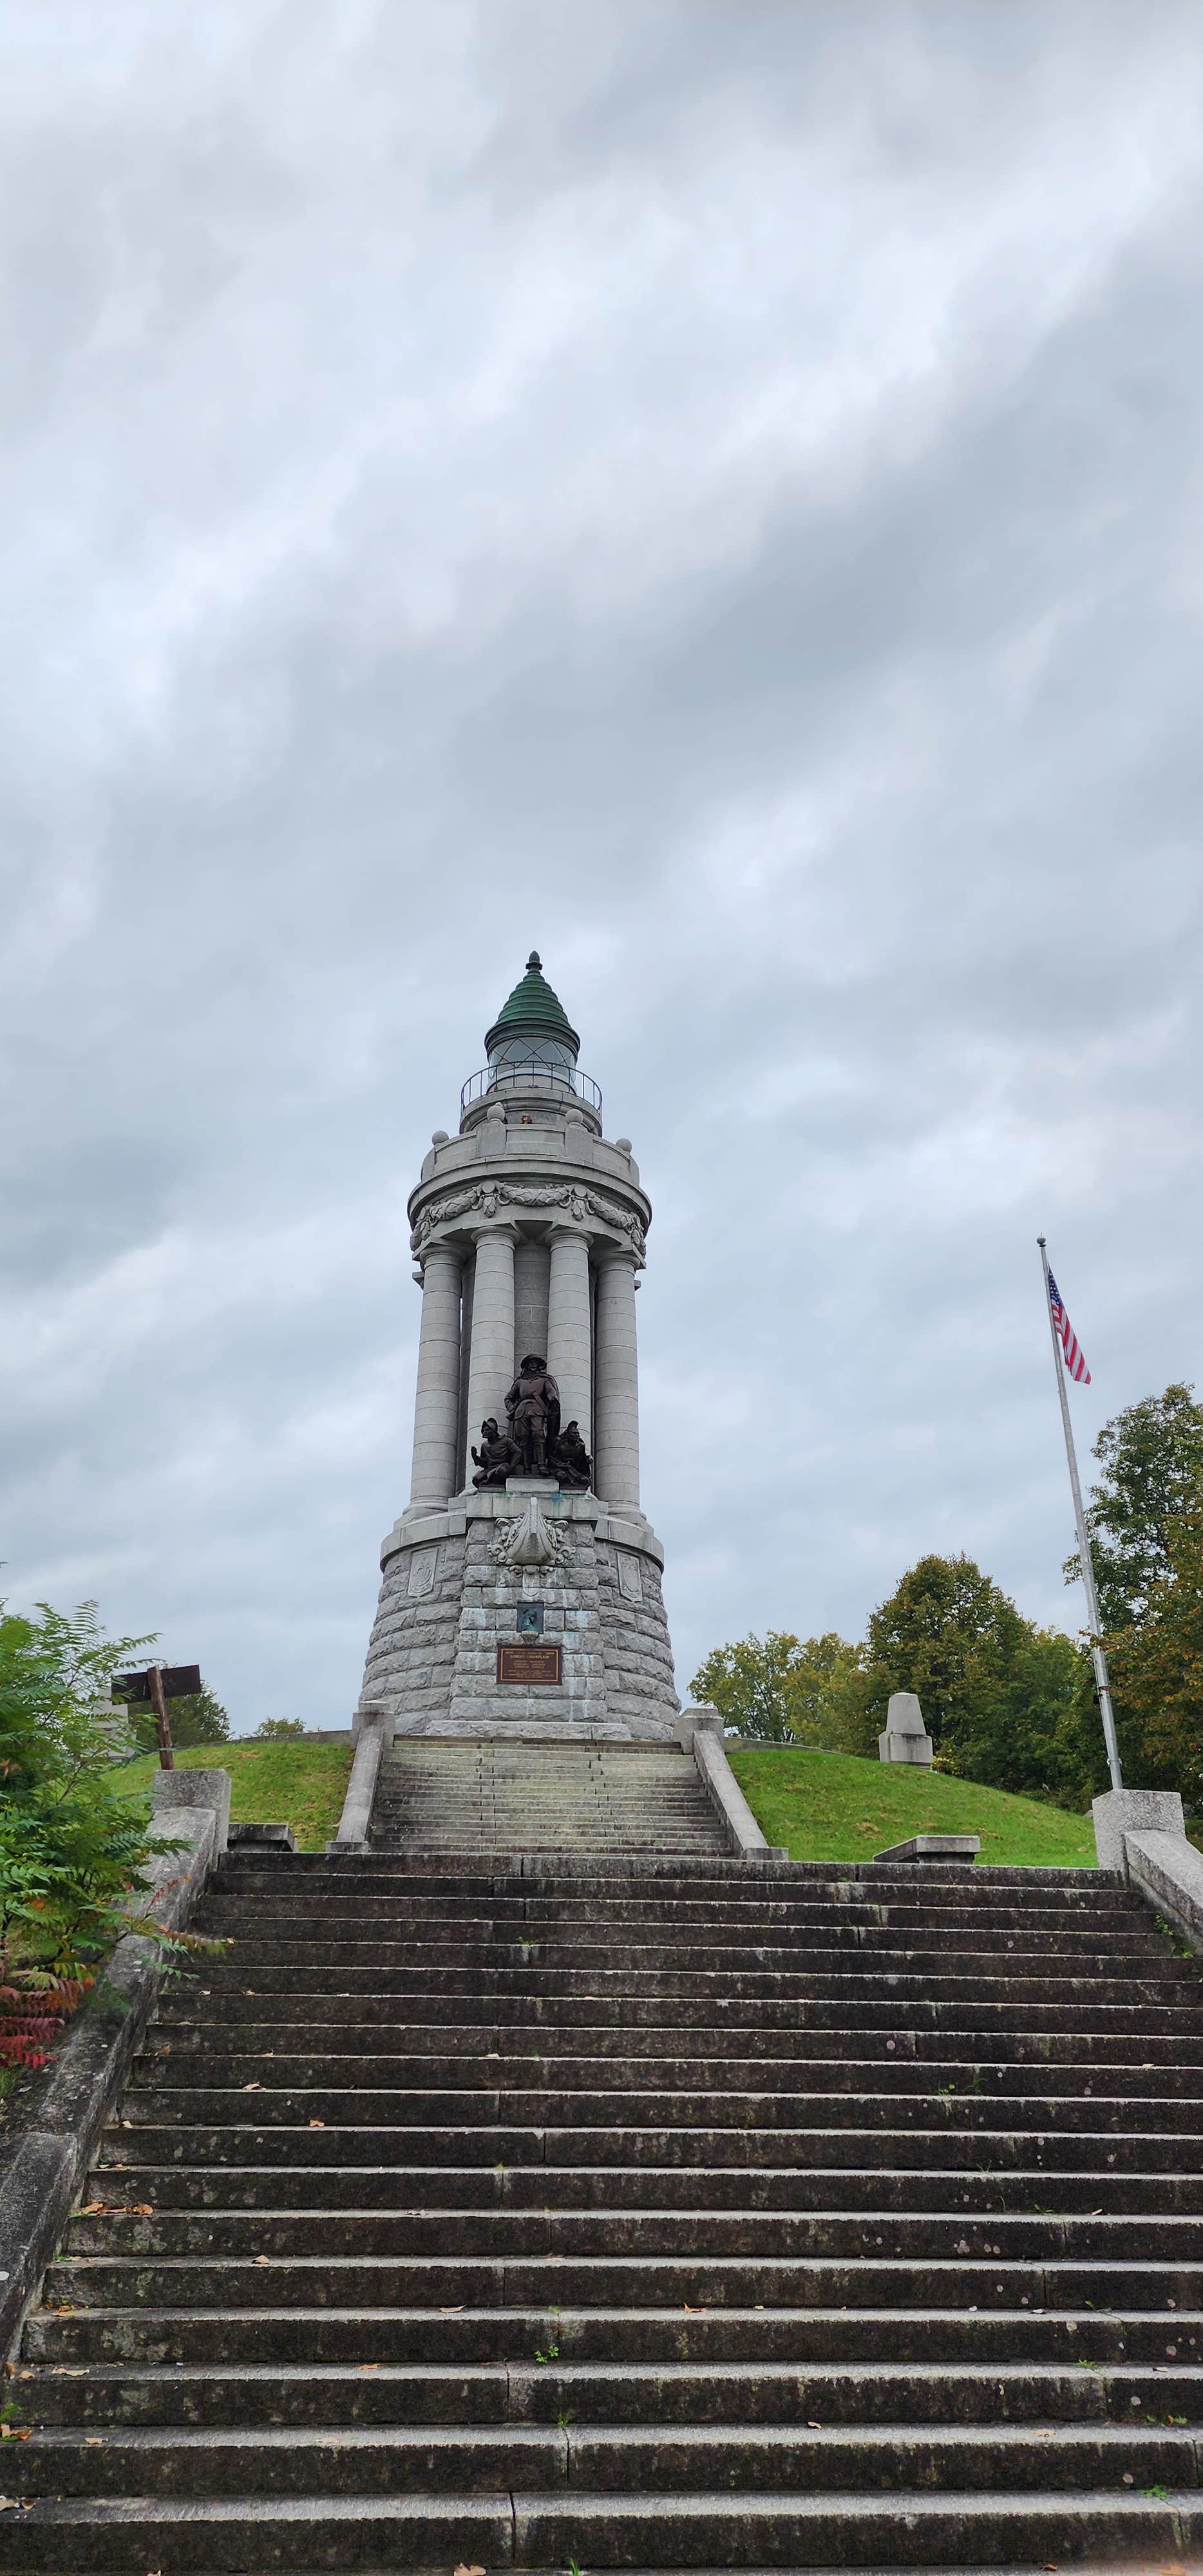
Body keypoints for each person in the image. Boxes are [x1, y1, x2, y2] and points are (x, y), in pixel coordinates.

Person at [504, 1355, 560, 1476]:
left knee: (538, 1435)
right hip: (521, 1412)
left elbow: (551, 1391)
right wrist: (511, 1409)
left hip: (538, 1409)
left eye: (535, 1362)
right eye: (531, 1362)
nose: (533, 1364)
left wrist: (553, 1399)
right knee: (523, 1438)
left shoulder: (545, 1380)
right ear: (527, 1365)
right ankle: (526, 1469)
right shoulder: (520, 1382)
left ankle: (541, 1466)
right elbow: (508, 1398)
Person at [470, 1419, 515, 1488]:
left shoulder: (506, 1441)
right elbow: (484, 1463)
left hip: (503, 1465)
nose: (485, 1432)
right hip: (490, 1468)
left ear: (493, 1430)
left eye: (487, 1430)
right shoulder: (484, 1446)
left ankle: (496, 1486)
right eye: (484, 1430)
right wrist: (475, 1456)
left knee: (501, 1472)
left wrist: (512, 1466)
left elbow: (517, 1452)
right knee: (476, 1480)